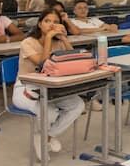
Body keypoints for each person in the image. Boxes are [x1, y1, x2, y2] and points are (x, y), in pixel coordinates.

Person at [13, 9, 85, 158]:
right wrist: (48, 39)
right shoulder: (27, 42)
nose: (52, 25)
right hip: (26, 88)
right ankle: (44, 136)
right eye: (47, 21)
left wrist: (64, 39)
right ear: (40, 24)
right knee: (50, 111)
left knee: (78, 105)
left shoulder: (58, 42)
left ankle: (46, 136)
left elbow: (74, 58)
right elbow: (42, 64)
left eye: (56, 22)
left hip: (52, 87)